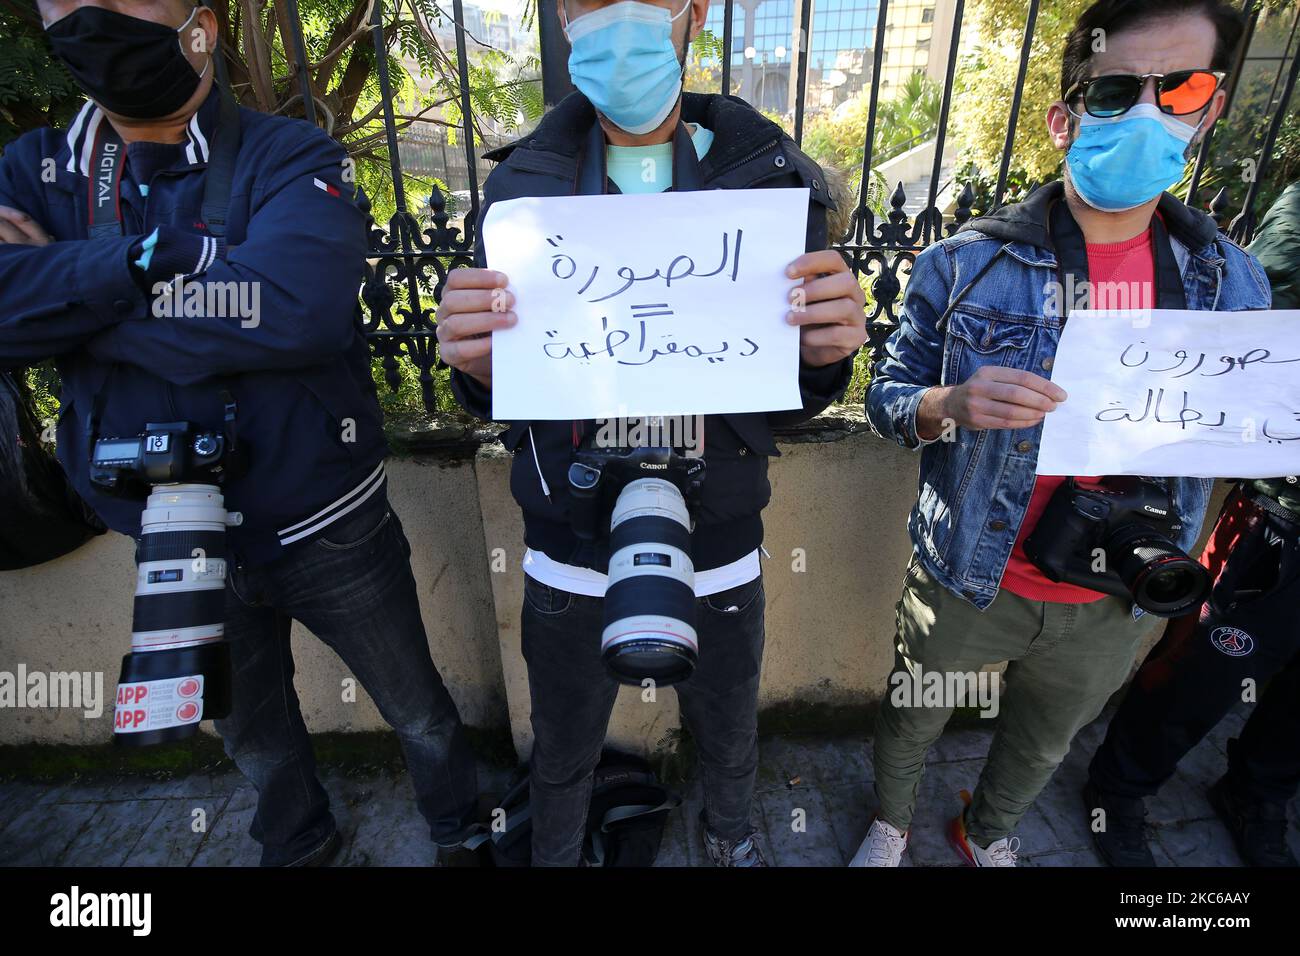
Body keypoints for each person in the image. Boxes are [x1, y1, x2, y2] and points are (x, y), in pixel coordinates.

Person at [0, 0, 478, 866]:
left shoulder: (291, 155)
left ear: (201, 27)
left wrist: (69, 304)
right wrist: (144, 265)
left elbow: (287, 309)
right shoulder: (34, 171)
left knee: (417, 708)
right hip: (164, 535)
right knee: (249, 731)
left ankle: (461, 829)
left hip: (326, 521)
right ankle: (296, 842)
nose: (90, 15)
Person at [437, 0, 865, 866]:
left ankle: (732, 842)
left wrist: (824, 356)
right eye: (592, 0)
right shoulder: (521, 185)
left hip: (722, 537)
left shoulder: (770, 180)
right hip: (567, 537)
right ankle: (555, 857)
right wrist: (474, 366)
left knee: (729, 725)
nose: (618, 16)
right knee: (561, 744)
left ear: (693, 13)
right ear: (563, 16)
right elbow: (504, 386)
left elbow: (789, 395)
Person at [857, 0, 1271, 867]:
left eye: (1182, 87)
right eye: (1118, 90)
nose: (1149, 113)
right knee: (911, 717)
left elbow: (1242, 440)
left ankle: (990, 831)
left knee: (1045, 744)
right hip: (970, 579)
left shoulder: (1233, 284)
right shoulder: (964, 261)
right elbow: (887, 401)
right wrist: (948, 404)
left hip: (1121, 600)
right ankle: (888, 823)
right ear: (1064, 116)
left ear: (1212, 107)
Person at [1086, 177, 1300, 868]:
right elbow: (1253, 333)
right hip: (1283, 510)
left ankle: (1259, 791)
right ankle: (1119, 789)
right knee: (1207, 663)